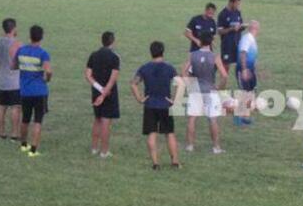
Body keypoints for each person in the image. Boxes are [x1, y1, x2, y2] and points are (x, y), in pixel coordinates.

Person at [131, 41, 183, 170]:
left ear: (151, 52)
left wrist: (140, 99)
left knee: (152, 133)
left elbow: (133, 83)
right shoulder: (169, 68)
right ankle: (175, 162)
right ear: (163, 51)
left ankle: (155, 164)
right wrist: (174, 100)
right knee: (169, 133)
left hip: (150, 105)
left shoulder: (145, 68)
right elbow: (180, 84)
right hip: (165, 105)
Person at [183, 33, 228, 154]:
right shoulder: (215, 57)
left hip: (195, 90)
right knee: (212, 119)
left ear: (200, 42)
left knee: (192, 118)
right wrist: (219, 88)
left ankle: (190, 146)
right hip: (210, 90)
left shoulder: (192, 55)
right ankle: (216, 147)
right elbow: (224, 76)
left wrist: (190, 84)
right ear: (211, 42)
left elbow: (183, 73)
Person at [14, 25, 52, 156]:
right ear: (41, 37)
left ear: (30, 36)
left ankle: (23, 144)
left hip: (25, 91)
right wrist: (47, 79)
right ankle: (33, 150)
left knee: (25, 119)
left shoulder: (21, 50)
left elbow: (13, 66)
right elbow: (48, 71)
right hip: (39, 91)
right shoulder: (43, 53)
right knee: (38, 120)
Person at [85, 31, 121, 157]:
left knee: (97, 119)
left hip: (96, 91)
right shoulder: (115, 57)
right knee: (106, 121)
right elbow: (112, 79)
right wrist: (104, 93)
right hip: (109, 94)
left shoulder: (93, 55)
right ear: (112, 41)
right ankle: (104, 151)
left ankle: (94, 148)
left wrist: (99, 90)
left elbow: (88, 75)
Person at [0, 18, 22, 140]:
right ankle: (15, 133)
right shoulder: (16, 44)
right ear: (14, 28)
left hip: (2, 79)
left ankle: (1, 132)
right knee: (15, 107)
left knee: (2, 106)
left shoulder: (0, 41)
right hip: (14, 80)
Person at [235, 20, 259, 126]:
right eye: (257, 27)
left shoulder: (251, 39)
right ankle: (239, 118)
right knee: (244, 92)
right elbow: (243, 53)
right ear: (254, 28)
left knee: (249, 92)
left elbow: (252, 56)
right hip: (243, 69)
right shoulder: (247, 38)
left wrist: (255, 70)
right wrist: (244, 69)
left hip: (250, 70)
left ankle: (246, 116)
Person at [217, 0, 245, 77]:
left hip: (237, 43)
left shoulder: (238, 12)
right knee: (226, 65)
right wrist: (231, 29)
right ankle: (223, 83)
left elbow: (240, 25)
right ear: (231, 2)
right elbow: (220, 31)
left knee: (240, 64)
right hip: (227, 44)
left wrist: (242, 27)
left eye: (239, 4)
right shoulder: (223, 14)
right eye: (237, 4)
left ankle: (241, 83)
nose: (238, 6)